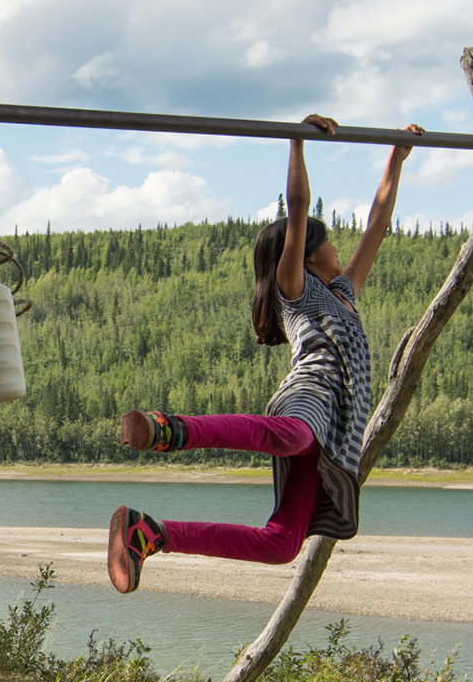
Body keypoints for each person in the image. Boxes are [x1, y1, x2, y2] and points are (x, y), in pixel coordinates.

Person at [108, 114, 424, 594]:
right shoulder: (294, 290)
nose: (340, 245)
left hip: (336, 431)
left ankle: (149, 533)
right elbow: (298, 208)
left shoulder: (343, 292)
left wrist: (395, 159)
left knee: (282, 544)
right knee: (293, 436)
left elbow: (377, 223)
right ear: (309, 253)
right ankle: (169, 429)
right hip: (309, 398)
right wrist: (296, 141)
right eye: (328, 239)